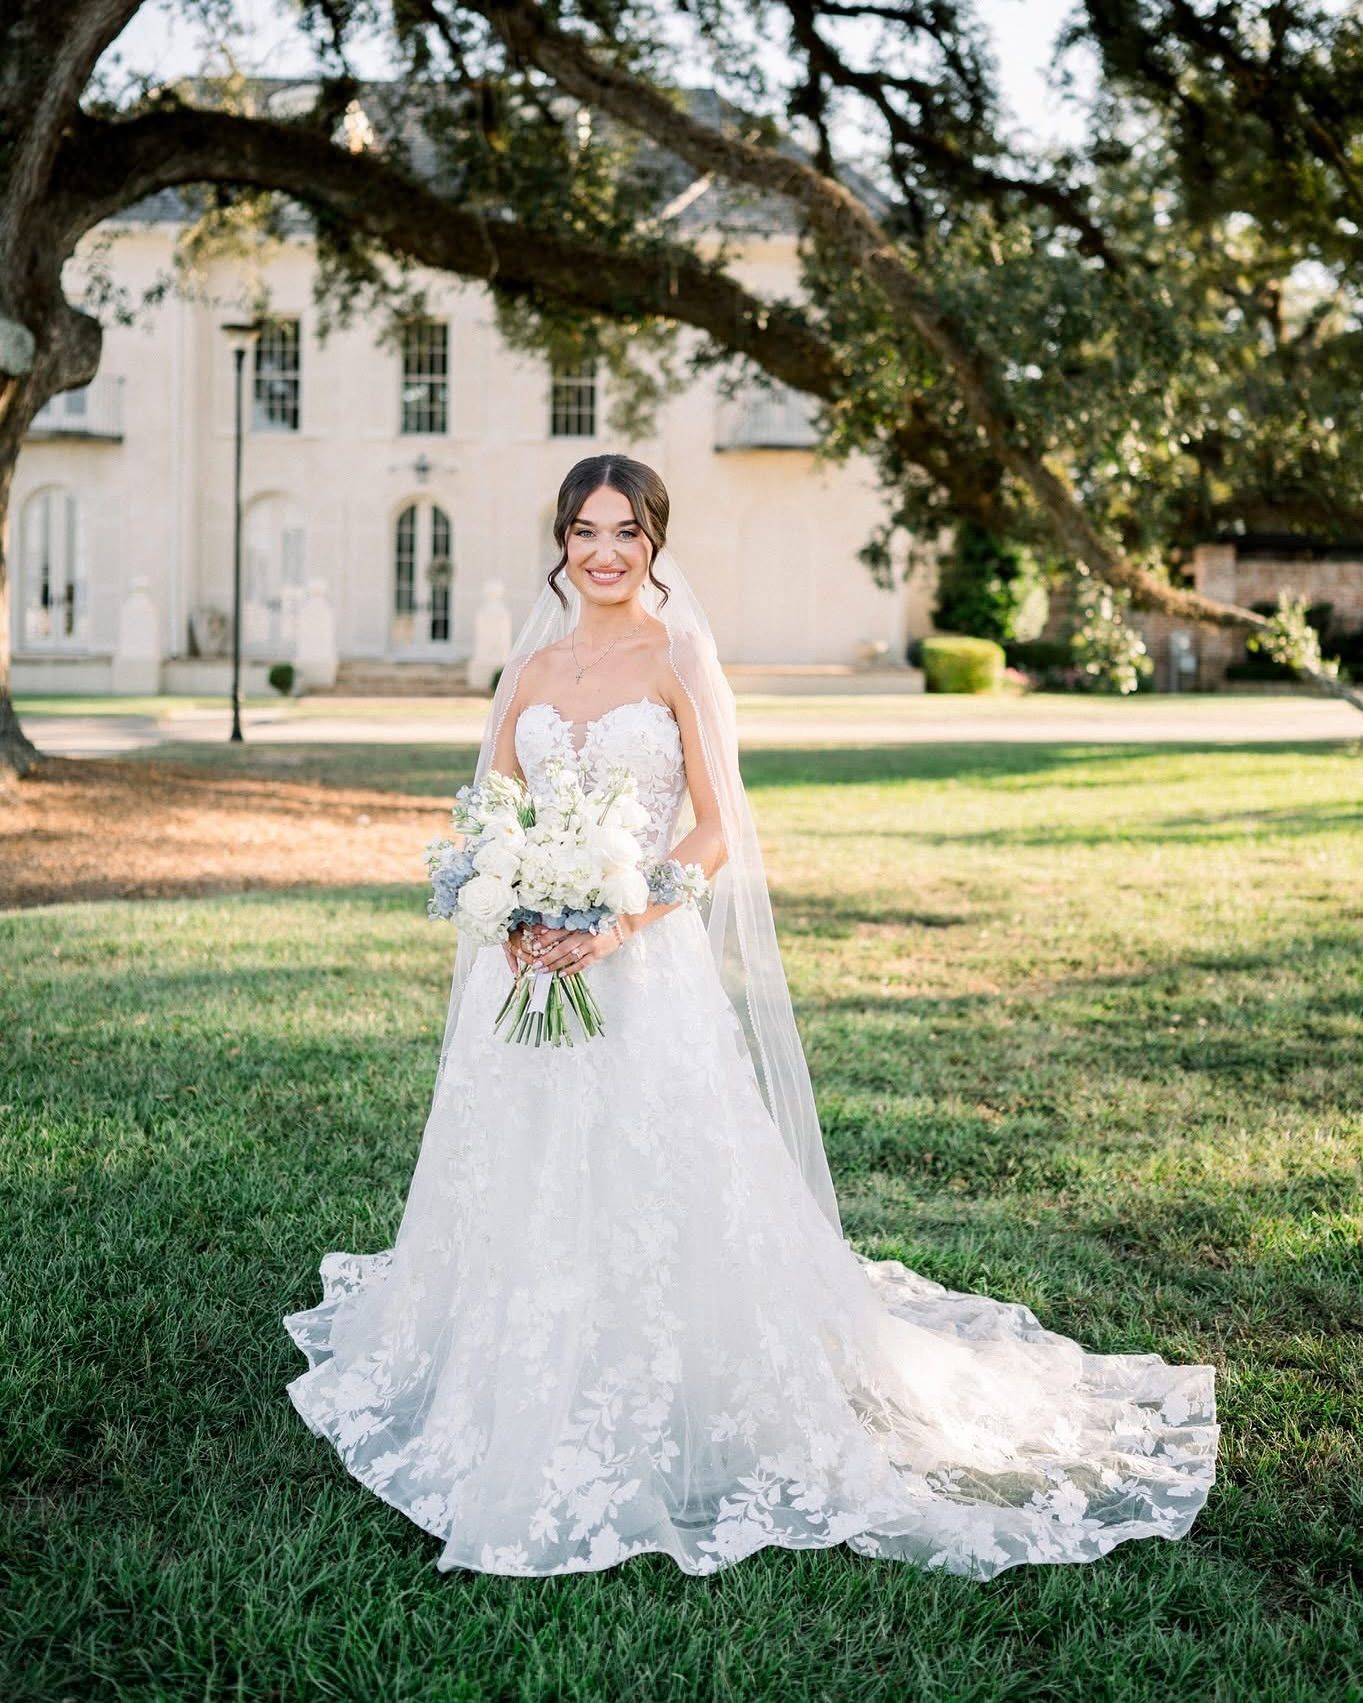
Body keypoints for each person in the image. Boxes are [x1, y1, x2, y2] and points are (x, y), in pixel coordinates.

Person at [284, 454, 1218, 1578]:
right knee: (525, 1167)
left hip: (639, 964)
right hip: (527, 967)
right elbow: (489, 813)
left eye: (625, 532)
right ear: (561, 541)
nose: (604, 552)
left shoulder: (680, 653)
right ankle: (513, 1357)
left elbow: (716, 830)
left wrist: (613, 924)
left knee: (657, 1174)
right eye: (584, 530)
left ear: (654, 540)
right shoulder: (528, 664)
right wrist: (515, 904)